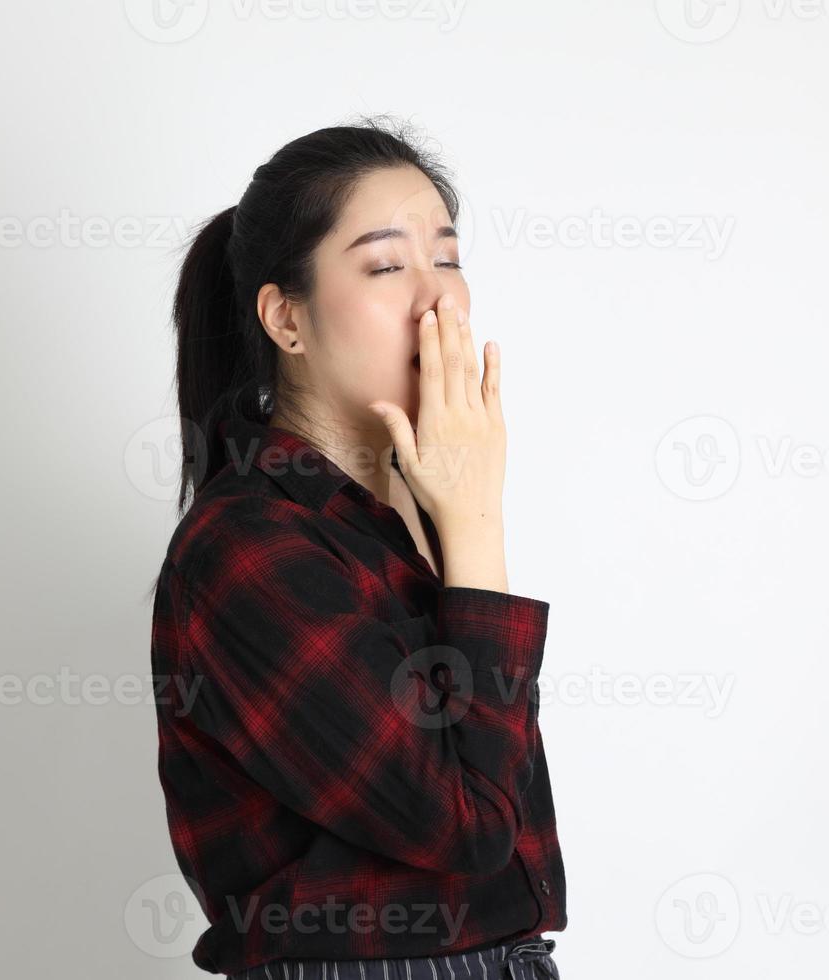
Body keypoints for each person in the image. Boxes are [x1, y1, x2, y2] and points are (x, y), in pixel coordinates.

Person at [148, 116, 566, 979]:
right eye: (385, 265)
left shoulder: (420, 509)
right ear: (286, 320)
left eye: (447, 257)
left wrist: (459, 516)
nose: (438, 298)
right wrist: (478, 520)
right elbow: (468, 821)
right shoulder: (243, 550)